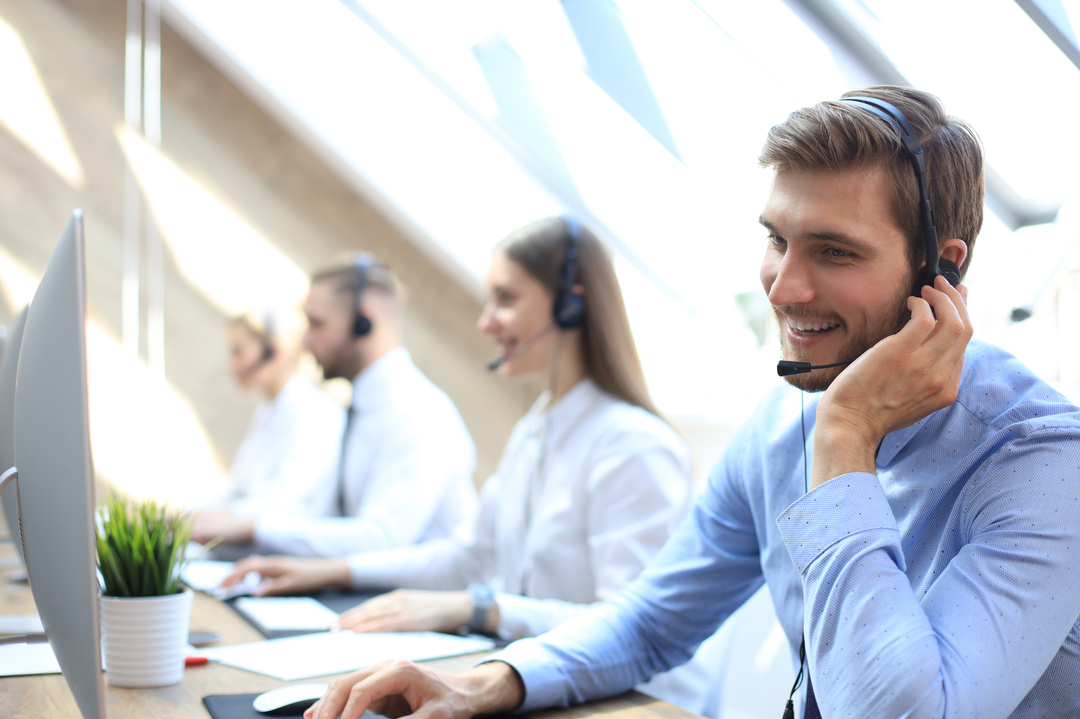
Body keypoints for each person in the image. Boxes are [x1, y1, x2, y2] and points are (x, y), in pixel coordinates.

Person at [303, 86, 1080, 719]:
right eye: (778, 239)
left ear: (939, 268)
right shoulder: (783, 423)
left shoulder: (1043, 463)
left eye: (834, 252)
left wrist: (846, 438)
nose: (784, 286)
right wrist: (491, 681)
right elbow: (651, 619)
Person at [224, 217, 730, 715]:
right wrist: (327, 571)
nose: (485, 321)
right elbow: (470, 557)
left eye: (505, 299)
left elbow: (627, 631)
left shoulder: (633, 446)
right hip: (549, 686)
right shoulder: (536, 431)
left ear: (571, 304)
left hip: (635, 705)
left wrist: (479, 606)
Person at [193, 254, 479, 557]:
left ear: (363, 323)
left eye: (316, 324)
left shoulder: (419, 413)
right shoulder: (360, 408)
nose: (304, 342)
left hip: (426, 598)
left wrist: (255, 527)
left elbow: (382, 540)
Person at [197, 308, 345, 521]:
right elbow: (238, 488)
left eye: (238, 352)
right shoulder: (269, 409)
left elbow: (284, 507)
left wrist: (203, 522)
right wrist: (187, 517)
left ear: (274, 352)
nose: (230, 364)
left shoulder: (315, 413)